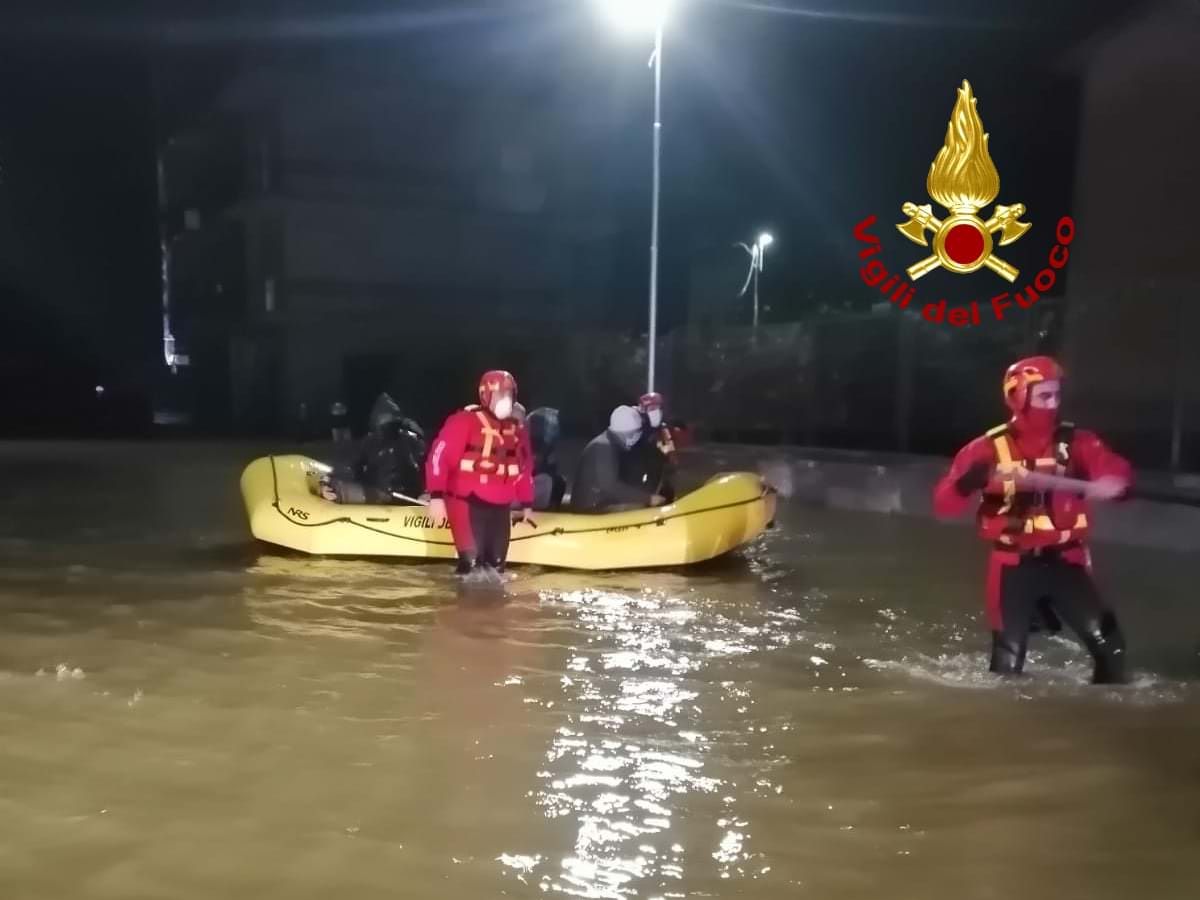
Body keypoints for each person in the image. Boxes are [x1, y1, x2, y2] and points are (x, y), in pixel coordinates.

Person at [932, 356, 1133, 684]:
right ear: (1018, 397)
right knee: (1007, 667)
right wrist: (969, 481)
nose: (1053, 404)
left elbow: (1115, 471)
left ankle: (1104, 705)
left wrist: (1115, 481)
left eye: (1056, 395)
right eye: (1044, 396)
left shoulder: (1080, 442)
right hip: (1012, 566)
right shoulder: (984, 449)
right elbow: (944, 506)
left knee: (1112, 650)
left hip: (1068, 562)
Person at [426, 370, 535, 576]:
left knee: (496, 565)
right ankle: (461, 596)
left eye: (509, 394)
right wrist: (436, 496)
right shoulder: (464, 421)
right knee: (472, 563)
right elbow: (439, 457)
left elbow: (524, 468)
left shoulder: (517, 430)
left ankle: (491, 597)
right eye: (501, 394)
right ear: (486, 395)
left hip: (500, 504)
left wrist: (527, 504)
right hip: (466, 500)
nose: (506, 399)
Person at [318, 393, 425, 503]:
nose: (387, 421)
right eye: (384, 417)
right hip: (378, 495)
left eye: (390, 416)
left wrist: (426, 492)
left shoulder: (410, 440)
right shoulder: (370, 442)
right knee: (341, 489)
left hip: (408, 497)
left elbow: (424, 466)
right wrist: (329, 484)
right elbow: (350, 467)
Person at [572, 405, 666, 513]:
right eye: (636, 433)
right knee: (640, 509)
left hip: (597, 502)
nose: (637, 437)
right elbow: (609, 486)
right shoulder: (604, 447)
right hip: (591, 509)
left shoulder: (608, 443)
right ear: (627, 433)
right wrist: (648, 498)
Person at [619, 392, 679, 503]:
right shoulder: (635, 426)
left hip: (657, 471)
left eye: (658, 407)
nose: (655, 411)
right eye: (651, 408)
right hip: (636, 473)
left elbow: (669, 447)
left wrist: (671, 457)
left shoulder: (663, 428)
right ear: (643, 410)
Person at [526, 406, 567, 510]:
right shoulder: (524, 441)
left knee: (558, 482)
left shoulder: (548, 447)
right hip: (524, 488)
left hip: (539, 485)